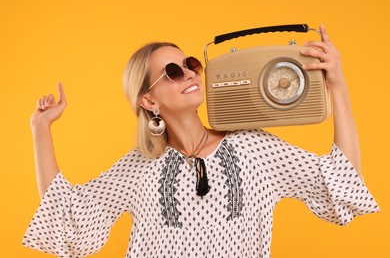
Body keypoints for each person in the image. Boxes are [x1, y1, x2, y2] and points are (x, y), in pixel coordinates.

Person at [23, 25, 379, 258]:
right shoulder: (140, 168)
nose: (190, 72)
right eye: (173, 72)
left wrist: (338, 87)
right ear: (148, 100)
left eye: (189, 63)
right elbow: (68, 224)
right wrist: (41, 130)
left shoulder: (252, 148)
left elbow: (341, 186)